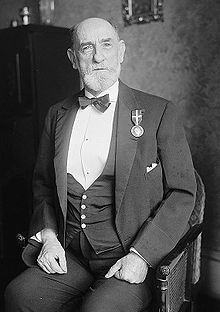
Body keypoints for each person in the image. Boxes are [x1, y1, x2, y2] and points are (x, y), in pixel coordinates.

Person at [5, 17, 196, 312]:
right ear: (73, 58)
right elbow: (43, 184)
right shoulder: (56, 115)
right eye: (86, 47)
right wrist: (50, 238)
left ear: (121, 51)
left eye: (106, 45)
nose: (98, 56)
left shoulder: (160, 113)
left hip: (127, 256)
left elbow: (183, 193)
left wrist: (141, 256)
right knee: (18, 296)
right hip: (72, 255)